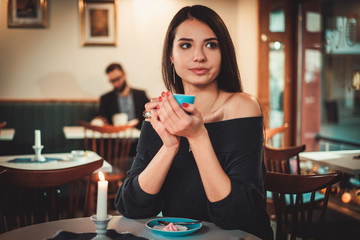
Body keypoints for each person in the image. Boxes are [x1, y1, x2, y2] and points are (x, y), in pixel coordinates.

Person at [114, 5, 273, 239]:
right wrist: (169, 147)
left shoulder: (242, 107)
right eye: (186, 45)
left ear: (223, 53)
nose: (199, 56)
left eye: (211, 44)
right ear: (171, 55)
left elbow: (235, 216)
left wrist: (197, 136)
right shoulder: (162, 111)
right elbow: (131, 207)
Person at [94, 63, 149, 129]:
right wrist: (100, 120)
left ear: (124, 74)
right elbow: (101, 117)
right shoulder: (106, 98)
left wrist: (143, 116)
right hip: (116, 136)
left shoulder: (140, 95)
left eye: (117, 79)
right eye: (112, 81)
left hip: (138, 133)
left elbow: (147, 113)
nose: (115, 84)